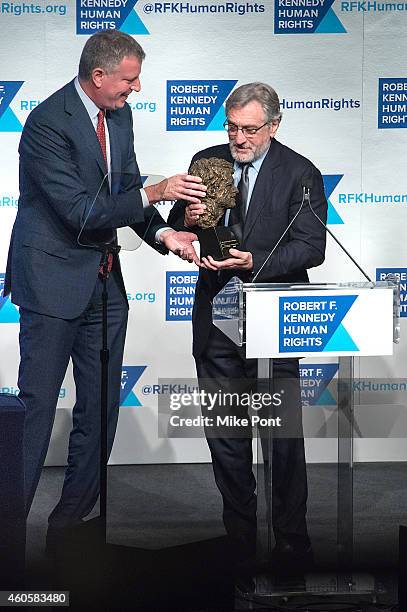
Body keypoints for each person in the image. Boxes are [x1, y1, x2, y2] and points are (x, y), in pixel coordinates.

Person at [4, 30, 206, 543]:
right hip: (51, 283)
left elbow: (125, 190)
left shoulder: (120, 116)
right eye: (129, 80)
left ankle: (70, 529)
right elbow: (81, 210)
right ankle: (6, 535)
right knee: (36, 409)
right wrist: (155, 191)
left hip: (104, 285)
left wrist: (164, 231)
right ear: (99, 76)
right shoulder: (47, 123)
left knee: (100, 409)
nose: (136, 89)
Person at [168, 82, 327, 576]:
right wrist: (186, 217)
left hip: (275, 318)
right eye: (232, 126)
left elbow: (311, 247)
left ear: (273, 127)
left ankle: (292, 542)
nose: (238, 137)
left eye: (249, 129)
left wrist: (256, 260)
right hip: (215, 317)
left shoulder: (299, 172)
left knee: (281, 439)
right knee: (226, 437)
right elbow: (180, 222)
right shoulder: (207, 159)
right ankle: (239, 539)